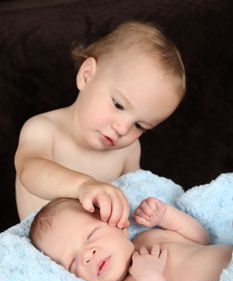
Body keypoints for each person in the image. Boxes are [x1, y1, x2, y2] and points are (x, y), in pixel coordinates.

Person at [15, 21, 186, 228]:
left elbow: (135, 192)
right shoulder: (44, 130)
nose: (123, 129)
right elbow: (29, 170)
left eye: (140, 126)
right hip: (41, 249)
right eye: (118, 105)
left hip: (99, 251)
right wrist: (83, 186)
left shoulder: (129, 150)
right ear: (86, 75)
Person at [29, 196, 232, 281]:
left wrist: (166, 216)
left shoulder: (150, 237)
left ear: (120, 225)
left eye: (91, 236)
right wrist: (150, 278)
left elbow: (201, 240)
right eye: (73, 263)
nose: (87, 256)